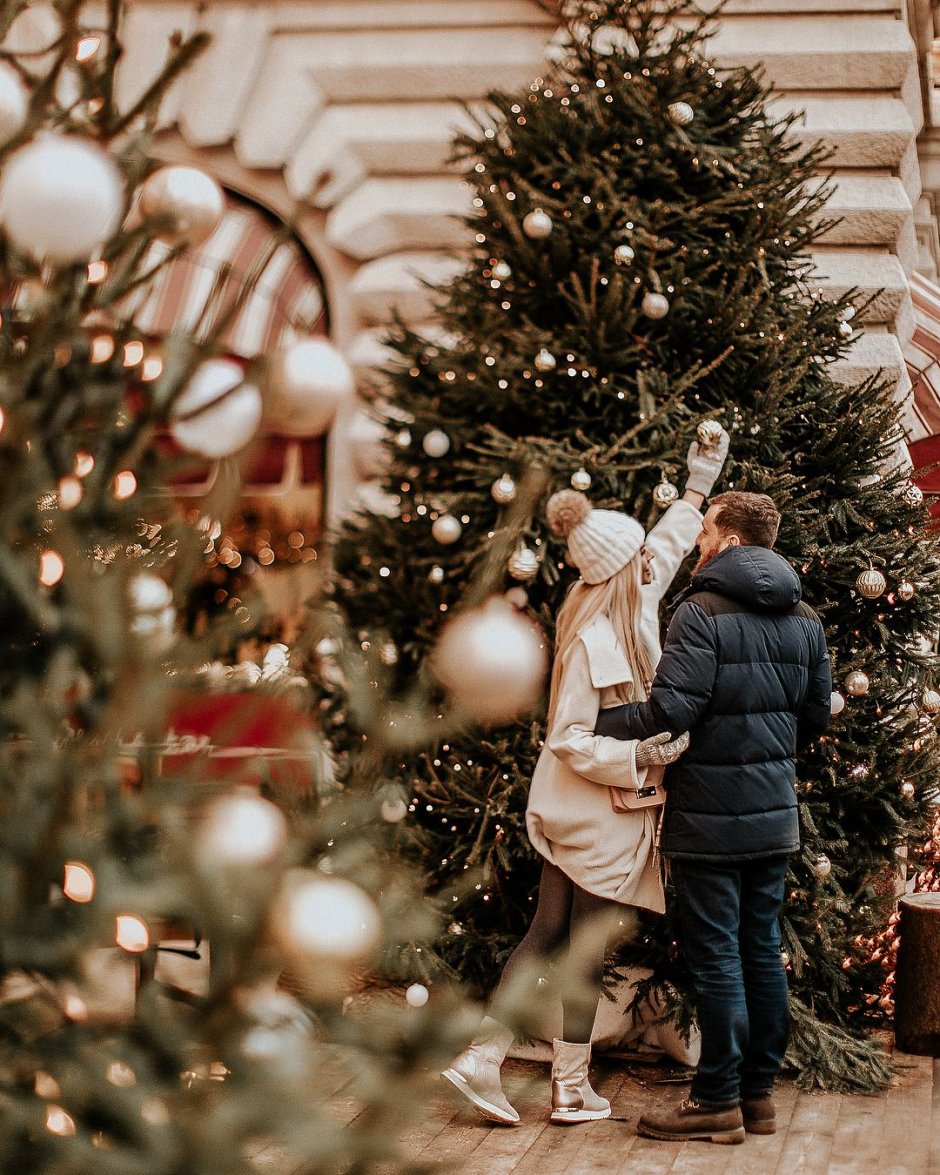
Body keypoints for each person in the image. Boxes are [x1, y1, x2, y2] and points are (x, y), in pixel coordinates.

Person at [442, 429, 729, 1127]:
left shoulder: (633, 594)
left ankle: (533, 1071)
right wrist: (644, 757)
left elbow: (663, 543)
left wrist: (699, 482)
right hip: (592, 811)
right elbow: (568, 737)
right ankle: (528, 1071)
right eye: (640, 559)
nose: (652, 563)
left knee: (555, 934)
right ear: (617, 569)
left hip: (594, 811)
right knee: (572, 943)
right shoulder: (591, 641)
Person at [595, 491, 831, 1145]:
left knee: (719, 957)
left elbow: (671, 709)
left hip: (708, 817)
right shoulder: (805, 616)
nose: (699, 542)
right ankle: (756, 1097)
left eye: (704, 530)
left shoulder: (698, 611)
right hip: (774, 816)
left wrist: (594, 721)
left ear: (728, 539)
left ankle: (716, 1099)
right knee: (760, 951)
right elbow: (814, 717)